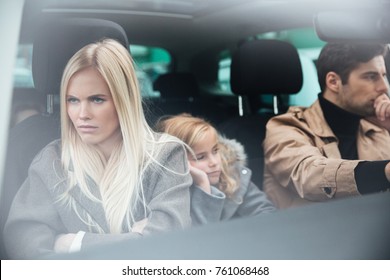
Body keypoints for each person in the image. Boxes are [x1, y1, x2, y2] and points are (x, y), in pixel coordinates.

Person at [3, 39, 192, 259]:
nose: (82, 114)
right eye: (72, 100)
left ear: (125, 100)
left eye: (97, 99)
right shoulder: (52, 161)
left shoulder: (165, 156)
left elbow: (166, 245)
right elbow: (26, 247)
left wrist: (76, 244)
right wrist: (134, 239)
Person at [263, 42, 390, 209]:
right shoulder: (285, 128)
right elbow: (309, 176)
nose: (384, 87)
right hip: (310, 232)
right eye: (370, 76)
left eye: (383, 75)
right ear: (333, 82)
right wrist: (384, 171)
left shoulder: (378, 127)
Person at [156, 113, 275, 226]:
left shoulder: (232, 175)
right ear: (175, 162)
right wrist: (203, 186)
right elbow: (199, 238)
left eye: (215, 150)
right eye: (200, 157)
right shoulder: (168, 197)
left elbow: (268, 215)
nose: (214, 162)